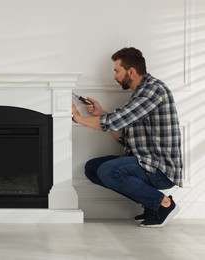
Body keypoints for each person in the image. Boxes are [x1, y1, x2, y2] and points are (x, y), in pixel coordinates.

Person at [71, 47, 183, 228]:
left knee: (108, 170)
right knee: (93, 168)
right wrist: (100, 112)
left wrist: (79, 119)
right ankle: (151, 205)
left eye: (117, 70)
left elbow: (117, 120)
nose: (114, 76)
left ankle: (164, 204)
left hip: (160, 169)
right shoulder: (140, 93)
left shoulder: (153, 90)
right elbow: (124, 134)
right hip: (144, 161)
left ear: (131, 71)